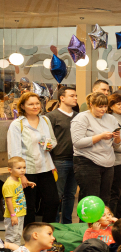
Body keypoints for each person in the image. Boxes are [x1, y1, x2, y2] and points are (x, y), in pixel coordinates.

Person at [7, 92, 59, 224]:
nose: (35, 106)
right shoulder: (17, 124)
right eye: (31, 104)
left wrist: (49, 145)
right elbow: (14, 152)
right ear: (23, 106)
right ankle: (30, 233)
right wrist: (21, 175)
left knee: (52, 201)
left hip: (46, 167)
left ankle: (47, 230)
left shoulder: (45, 120)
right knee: (29, 205)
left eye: (37, 103)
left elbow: (53, 140)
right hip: (27, 170)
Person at [72, 92, 120, 204]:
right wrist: (100, 136)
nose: (103, 109)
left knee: (105, 198)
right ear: (91, 104)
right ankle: (86, 217)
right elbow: (77, 142)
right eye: (100, 106)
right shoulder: (82, 117)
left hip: (108, 164)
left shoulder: (111, 118)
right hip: (87, 162)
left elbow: (116, 145)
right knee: (91, 199)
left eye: (105, 106)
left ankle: (103, 216)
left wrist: (117, 137)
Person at [47, 86, 79, 224]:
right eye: (72, 95)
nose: (75, 98)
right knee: (57, 195)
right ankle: (54, 225)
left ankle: (67, 223)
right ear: (62, 98)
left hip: (76, 160)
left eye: (76, 96)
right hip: (58, 161)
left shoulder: (79, 116)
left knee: (70, 195)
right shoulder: (51, 117)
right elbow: (47, 140)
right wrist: (50, 162)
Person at [3, 157, 29, 245]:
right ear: (10, 170)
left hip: (20, 213)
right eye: (19, 168)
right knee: (11, 237)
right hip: (13, 215)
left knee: (18, 236)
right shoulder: (9, 184)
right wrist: (13, 215)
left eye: (24, 167)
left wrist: (28, 183)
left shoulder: (18, 179)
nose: (22, 170)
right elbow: (8, 201)